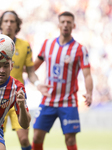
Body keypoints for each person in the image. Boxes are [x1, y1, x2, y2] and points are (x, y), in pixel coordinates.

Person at [0, 10, 51, 150]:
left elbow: (31, 72)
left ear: (17, 25)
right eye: (6, 21)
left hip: (17, 96)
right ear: (1, 24)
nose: (9, 24)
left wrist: (38, 84)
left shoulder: (25, 45)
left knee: (24, 139)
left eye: (12, 21)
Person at [32, 11, 93, 150]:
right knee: (36, 137)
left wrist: (89, 92)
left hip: (68, 101)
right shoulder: (47, 44)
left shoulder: (80, 49)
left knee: (70, 139)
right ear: (59, 24)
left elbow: (87, 74)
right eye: (63, 22)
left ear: (74, 25)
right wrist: (19, 67)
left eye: (69, 22)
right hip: (48, 99)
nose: (65, 25)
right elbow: (34, 66)